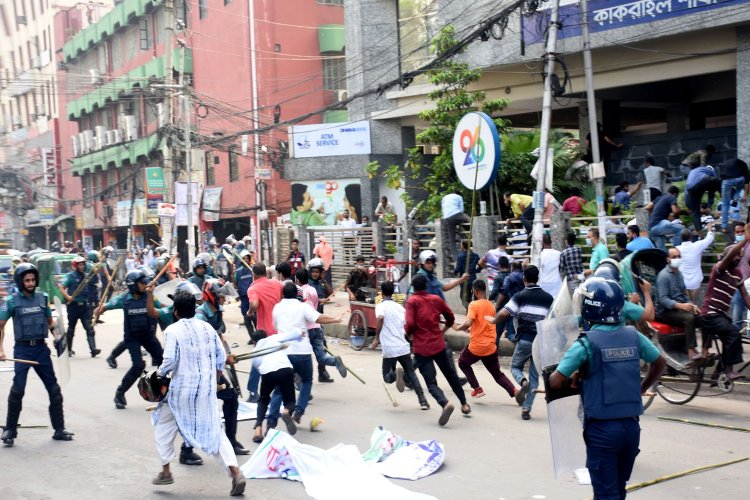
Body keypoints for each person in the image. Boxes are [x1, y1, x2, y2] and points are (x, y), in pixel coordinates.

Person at [548, 277, 665, 500]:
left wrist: (575, 374)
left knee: (605, 494)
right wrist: (642, 387)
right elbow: (659, 363)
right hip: (631, 430)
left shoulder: (586, 343)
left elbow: (555, 381)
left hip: (602, 431)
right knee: (618, 491)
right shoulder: (634, 336)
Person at [150, 289, 246, 496]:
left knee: (164, 426)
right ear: (195, 308)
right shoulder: (209, 329)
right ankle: (235, 472)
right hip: (206, 391)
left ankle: (166, 471)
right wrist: (216, 379)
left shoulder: (172, 331)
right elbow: (221, 358)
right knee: (216, 432)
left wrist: (158, 377)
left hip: (180, 392)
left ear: (175, 311)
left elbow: (169, 362)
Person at [0, 264, 74, 446]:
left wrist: (58, 336)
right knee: (18, 390)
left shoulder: (43, 298)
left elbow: (50, 324)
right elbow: (0, 326)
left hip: (41, 350)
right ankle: (10, 429)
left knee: (54, 390)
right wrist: (0, 350)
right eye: (27, 280)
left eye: (33, 279)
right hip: (22, 350)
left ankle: (59, 429)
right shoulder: (11, 301)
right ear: (20, 281)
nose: (31, 283)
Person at [264, 282, 343, 433]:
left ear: (282, 294)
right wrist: (336, 319)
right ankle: (298, 412)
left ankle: (270, 423)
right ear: (297, 294)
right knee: (307, 381)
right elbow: (319, 318)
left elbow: (275, 327)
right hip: (302, 352)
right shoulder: (303, 306)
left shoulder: (277, 307)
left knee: (280, 389)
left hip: (283, 353)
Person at [405, 274, 470, 426]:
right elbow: (450, 318)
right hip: (438, 344)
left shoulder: (412, 301)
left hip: (422, 348)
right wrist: (443, 331)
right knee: (451, 375)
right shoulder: (436, 299)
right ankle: (464, 404)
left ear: (414, 288)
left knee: (431, 382)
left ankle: (445, 403)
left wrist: (407, 335)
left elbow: (410, 323)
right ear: (427, 286)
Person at [489, 266, 552, 420]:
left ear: (524, 279)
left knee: (516, 367)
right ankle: (526, 409)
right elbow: (553, 321)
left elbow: (505, 312)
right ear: (538, 278)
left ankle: (522, 382)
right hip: (540, 343)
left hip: (524, 339)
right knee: (535, 378)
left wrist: (493, 320)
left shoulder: (520, 296)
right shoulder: (549, 298)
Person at [96, 269, 164, 410]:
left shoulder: (150, 296)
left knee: (164, 362)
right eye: (141, 282)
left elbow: (163, 308)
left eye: (144, 281)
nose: (144, 284)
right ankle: (120, 393)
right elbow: (107, 306)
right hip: (132, 338)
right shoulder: (124, 299)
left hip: (148, 336)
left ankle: (163, 392)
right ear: (133, 285)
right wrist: (98, 311)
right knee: (138, 366)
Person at [454, 280, 526, 403]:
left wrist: (458, 328)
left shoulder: (473, 304)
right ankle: (515, 391)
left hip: (476, 347)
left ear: (475, 291)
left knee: (462, 363)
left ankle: (477, 388)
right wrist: (469, 330)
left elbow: (469, 322)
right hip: (491, 346)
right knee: (497, 374)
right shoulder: (490, 305)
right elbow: (481, 324)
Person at [696, 228, 750, 380]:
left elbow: (745, 296)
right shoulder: (719, 268)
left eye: (740, 256)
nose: (738, 258)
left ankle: (717, 374)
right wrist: (745, 240)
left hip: (721, 316)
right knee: (733, 334)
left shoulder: (737, 274)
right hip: (710, 314)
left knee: (732, 338)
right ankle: (728, 371)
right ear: (726, 257)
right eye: (735, 256)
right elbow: (731, 254)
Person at [370, 281, 429, 410]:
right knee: (412, 374)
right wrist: (411, 337)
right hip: (403, 345)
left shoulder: (380, 306)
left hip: (390, 348)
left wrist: (376, 338)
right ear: (393, 293)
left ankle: (396, 375)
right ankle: (423, 401)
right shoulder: (400, 307)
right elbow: (408, 323)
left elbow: (380, 318)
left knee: (387, 377)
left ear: (382, 292)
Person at [296, 268, 346, 381]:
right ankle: (334, 361)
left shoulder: (299, 292)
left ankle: (300, 379)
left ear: (297, 280)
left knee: (301, 356)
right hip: (316, 327)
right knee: (321, 356)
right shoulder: (313, 289)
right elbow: (314, 305)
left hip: (306, 329)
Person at [250, 329, 299, 442]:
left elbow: (259, 369)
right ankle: (286, 412)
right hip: (285, 369)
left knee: (263, 400)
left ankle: (258, 429)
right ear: (266, 336)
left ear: (254, 342)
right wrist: (300, 333)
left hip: (267, 373)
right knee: (290, 401)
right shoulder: (273, 338)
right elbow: (293, 334)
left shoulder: (255, 352)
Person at [655, 248, 703, 362]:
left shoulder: (679, 274)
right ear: (668, 260)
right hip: (664, 311)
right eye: (674, 257)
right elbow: (663, 299)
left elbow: (684, 294)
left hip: (678, 308)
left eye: (679, 256)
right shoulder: (664, 276)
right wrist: (680, 306)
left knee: (702, 317)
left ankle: (705, 349)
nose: (677, 259)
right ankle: (691, 350)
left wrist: (692, 305)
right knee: (689, 318)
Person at [245, 263, 283, 400]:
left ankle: (253, 392)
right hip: (279, 329)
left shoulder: (253, 288)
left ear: (253, 274)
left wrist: (249, 312)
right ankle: (300, 387)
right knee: (281, 360)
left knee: (257, 360)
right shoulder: (276, 283)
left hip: (264, 331)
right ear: (266, 273)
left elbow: (254, 304)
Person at [58, 255, 100, 357]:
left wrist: (96, 270)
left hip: (85, 306)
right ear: (76, 266)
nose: (82, 267)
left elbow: (95, 280)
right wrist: (68, 297)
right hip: (73, 306)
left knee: (89, 328)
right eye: (80, 265)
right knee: (71, 329)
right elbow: (61, 287)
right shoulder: (70, 276)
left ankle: (93, 349)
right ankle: (68, 349)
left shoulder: (86, 276)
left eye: (83, 265)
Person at [307, 258, 336, 383]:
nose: (315, 274)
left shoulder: (321, 283)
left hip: (318, 321)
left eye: (317, 272)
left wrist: (324, 280)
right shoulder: (307, 285)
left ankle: (322, 373)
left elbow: (331, 293)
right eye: (313, 272)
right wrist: (320, 300)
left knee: (322, 347)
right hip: (309, 322)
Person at [677, 223, 715, 302]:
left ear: (680, 238)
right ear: (691, 237)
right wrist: (709, 229)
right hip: (696, 281)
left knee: (685, 305)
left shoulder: (677, 249)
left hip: (682, 282)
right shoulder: (698, 245)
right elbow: (710, 238)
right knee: (694, 304)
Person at [647, 186, 686, 251]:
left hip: (651, 229)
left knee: (662, 252)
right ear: (675, 194)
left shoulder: (659, 197)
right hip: (659, 224)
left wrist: (655, 213)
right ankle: (675, 251)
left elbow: (648, 207)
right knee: (681, 229)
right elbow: (675, 212)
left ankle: (665, 259)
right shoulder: (671, 197)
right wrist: (684, 212)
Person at [493, 260, 524, 343]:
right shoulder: (524, 276)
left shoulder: (509, 277)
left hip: (508, 307)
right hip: (520, 308)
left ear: (512, 267)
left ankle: (494, 352)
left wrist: (497, 304)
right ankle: (519, 341)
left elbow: (503, 292)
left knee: (497, 332)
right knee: (511, 332)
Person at [685, 162, 721, 231]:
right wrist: (709, 206)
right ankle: (730, 194)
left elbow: (687, 192)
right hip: (703, 180)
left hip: (691, 189)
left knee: (695, 212)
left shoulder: (693, 172)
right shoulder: (710, 170)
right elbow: (712, 191)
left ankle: (700, 232)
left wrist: (690, 206)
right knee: (720, 182)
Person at [718, 159, 750, 236]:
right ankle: (736, 197)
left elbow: (720, 179)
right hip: (738, 180)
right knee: (741, 184)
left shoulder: (724, 164)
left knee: (725, 204)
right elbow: (746, 183)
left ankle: (724, 227)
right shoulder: (744, 166)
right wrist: (745, 195)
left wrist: (722, 193)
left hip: (726, 181)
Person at [234, 250, 255, 340]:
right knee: (247, 319)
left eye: (247, 258)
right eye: (244, 258)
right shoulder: (238, 272)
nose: (246, 260)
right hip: (244, 298)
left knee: (255, 318)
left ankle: (258, 336)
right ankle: (252, 337)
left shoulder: (252, 270)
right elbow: (235, 283)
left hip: (253, 297)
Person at [441, 193, 470, 258]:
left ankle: (456, 258)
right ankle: (470, 232)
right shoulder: (459, 196)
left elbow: (443, 210)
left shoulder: (444, 197)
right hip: (457, 217)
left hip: (447, 219)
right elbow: (461, 210)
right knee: (466, 218)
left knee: (452, 240)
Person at [454, 239, 480, 309]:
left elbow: (458, 269)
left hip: (464, 280)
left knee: (463, 297)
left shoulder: (460, 256)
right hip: (473, 279)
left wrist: (454, 272)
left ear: (463, 246)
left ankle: (470, 310)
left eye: (461, 244)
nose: (460, 245)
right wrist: (477, 270)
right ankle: (471, 310)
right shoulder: (476, 256)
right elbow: (481, 264)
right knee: (471, 296)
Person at [539, 234, 562, 299]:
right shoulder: (558, 253)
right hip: (556, 282)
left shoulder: (540, 255)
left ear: (542, 243)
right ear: (551, 242)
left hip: (544, 282)